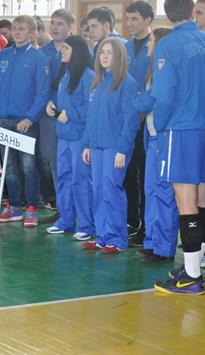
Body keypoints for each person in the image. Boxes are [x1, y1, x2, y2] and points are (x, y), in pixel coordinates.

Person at [151, 0, 205, 295]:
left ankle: (192, 275)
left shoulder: (168, 44)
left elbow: (164, 94)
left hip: (183, 128)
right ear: (192, 12)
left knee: (186, 202)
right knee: (203, 197)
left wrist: (160, 125)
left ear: (167, 14)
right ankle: (198, 261)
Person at [0, 14, 50, 224]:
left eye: (22, 29)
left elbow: (43, 93)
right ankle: (14, 205)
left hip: (25, 123)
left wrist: (30, 118)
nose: (18, 32)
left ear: (31, 32)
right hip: (4, 120)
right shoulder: (2, 56)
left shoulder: (39, 58)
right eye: (15, 28)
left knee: (28, 166)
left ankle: (31, 206)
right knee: (9, 166)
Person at [81, 38, 140, 253]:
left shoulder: (127, 83)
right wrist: (87, 144)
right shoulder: (96, 82)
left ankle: (117, 239)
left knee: (110, 190)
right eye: (102, 52)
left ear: (119, 56)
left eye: (109, 52)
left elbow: (130, 120)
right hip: (96, 146)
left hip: (115, 147)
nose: (104, 56)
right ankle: (102, 236)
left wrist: (122, 150)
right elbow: (90, 117)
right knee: (97, 190)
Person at [133, 27, 176, 263]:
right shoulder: (153, 69)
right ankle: (152, 240)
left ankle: (165, 247)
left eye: (151, 40)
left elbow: (151, 99)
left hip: (163, 137)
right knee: (150, 190)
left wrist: (136, 102)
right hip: (150, 137)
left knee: (163, 192)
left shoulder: (166, 69)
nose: (148, 44)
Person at [45, 35, 95, 238]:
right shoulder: (66, 75)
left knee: (80, 180)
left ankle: (86, 225)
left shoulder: (89, 76)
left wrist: (71, 114)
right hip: (64, 136)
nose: (61, 51)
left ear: (77, 51)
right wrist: (52, 105)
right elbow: (63, 101)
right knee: (64, 177)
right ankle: (66, 220)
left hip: (79, 138)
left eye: (66, 47)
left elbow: (92, 108)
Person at [39, 9, 75, 211]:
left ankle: (77, 208)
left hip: (72, 116)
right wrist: (47, 102)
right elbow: (40, 84)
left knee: (74, 162)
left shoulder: (78, 49)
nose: (54, 27)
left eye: (60, 23)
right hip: (50, 114)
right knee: (54, 161)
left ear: (70, 27)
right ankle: (63, 208)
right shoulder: (44, 52)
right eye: (52, 22)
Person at [124, 0, 154, 244]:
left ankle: (146, 225)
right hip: (126, 119)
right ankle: (131, 221)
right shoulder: (124, 47)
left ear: (148, 20)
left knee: (145, 175)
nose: (130, 23)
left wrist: (144, 108)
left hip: (146, 119)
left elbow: (156, 84)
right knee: (126, 171)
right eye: (127, 19)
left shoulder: (156, 46)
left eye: (134, 19)